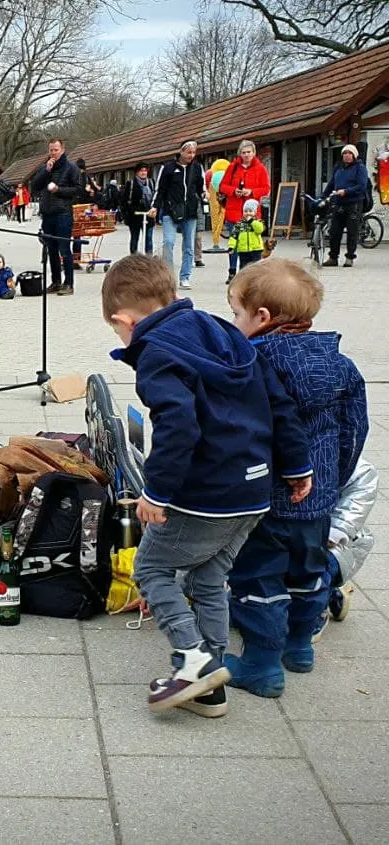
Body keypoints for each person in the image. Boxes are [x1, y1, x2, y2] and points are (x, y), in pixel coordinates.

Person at [102, 254, 311, 717]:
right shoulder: (220, 330)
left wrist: (156, 493)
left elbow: (179, 426)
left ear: (124, 319)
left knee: (153, 570)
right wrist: (297, 466)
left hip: (207, 494)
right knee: (209, 577)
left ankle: (193, 657)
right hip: (255, 491)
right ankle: (210, 686)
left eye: (118, 332)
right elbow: (278, 402)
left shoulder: (156, 354)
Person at [226, 260, 367, 696]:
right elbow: (355, 429)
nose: (234, 322)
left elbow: (236, 430)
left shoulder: (250, 365)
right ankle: (300, 645)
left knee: (258, 578)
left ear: (262, 317)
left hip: (266, 500)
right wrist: (333, 480)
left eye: (235, 313)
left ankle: (262, 665)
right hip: (318, 499)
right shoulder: (340, 365)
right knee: (308, 572)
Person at [312, 456, 377, 642]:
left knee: (314, 568)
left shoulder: (359, 468)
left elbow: (354, 509)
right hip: (289, 532)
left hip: (332, 543)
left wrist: (334, 533)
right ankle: (333, 594)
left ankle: (316, 614)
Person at [28, 139, 82, 296]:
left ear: (63, 150)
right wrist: (46, 171)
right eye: (51, 150)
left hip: (63, 213)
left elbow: (78, 190)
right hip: (48, 213)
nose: (53, 153)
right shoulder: (46, 168)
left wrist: (59, 190)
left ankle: (69, 283)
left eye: (56, 150)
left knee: (64, 249)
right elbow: (35, 186)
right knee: (51, 249)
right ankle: (56, 281)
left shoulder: (71, 168)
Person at [151, 140, 205, 290]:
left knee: (189, 246)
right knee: (168, 242)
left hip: (190, 211)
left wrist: (204, 195)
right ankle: (168, 275)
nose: (191, 155)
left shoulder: (197, 168)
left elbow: (201, 188)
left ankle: (185, 276)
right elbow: (160, 189)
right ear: (181, 152)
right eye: (188, 152)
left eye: (194, 152)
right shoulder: (167, 168)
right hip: (170, 210)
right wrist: (155, 206)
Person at [218, 140, 271, 283]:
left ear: (254, 153)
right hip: (234, 211)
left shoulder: (260, 169)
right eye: (244, 152)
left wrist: (251, 192)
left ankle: (250, 272)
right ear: (240, 154)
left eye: (249, 152)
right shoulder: (232, 168)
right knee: (234, 242)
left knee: (251, 243)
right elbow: (222, 186)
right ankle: (232, 271)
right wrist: (234, 191)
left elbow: (266, 189)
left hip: (251, 213)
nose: (246, 155)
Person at [323, 144, 371, 268]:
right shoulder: (338, 168)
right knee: (334, 231)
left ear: (354, 155)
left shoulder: (360, 168)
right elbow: (332, 183)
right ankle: (333, 257)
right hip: (339, 203)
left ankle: (349, 257)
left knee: (352, 232)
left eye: (350, 153)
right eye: (345, 153)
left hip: (353, 203)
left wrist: (346, 191)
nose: (347, 155)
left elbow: (361, 185)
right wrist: (323, 196)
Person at [225, 199, 266, 279]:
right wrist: (231, 247)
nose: (248, 213)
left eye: (250, 211)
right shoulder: (239, 224)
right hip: (243, 250)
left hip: (256, 250)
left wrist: (251, 221)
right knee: (243, 268)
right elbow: (234, 236)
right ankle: (244, 282)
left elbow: (260, 230)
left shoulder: (258, 222)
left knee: (256, 267)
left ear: (254, 212)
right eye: (246, 211)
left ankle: (256, 281)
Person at [122, 163, 156, 255]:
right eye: (141, 171)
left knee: (148, 238)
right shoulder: (131, 183)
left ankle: (149, 259)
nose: (143, 173)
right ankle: (134, 259)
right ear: (137, 172)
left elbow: (155, 197)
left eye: (145, 170)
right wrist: (127, 213)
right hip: (135, 215)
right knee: (134, 238)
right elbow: (125, 200)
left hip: (149, 215)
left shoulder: (151, 182)